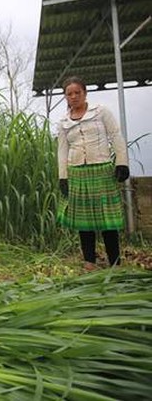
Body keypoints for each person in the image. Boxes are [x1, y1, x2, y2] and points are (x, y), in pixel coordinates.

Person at [57, 76, 129, 270]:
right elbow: (62, 150)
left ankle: (115, 263)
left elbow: (116, 136)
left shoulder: (101, 112)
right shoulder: (63, 122)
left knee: (108, 220)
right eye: (69, 94)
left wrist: (121, 163)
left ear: (85, 93)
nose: (74, 96)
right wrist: (63, 176)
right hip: (77, 173)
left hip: (102, 170)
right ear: (66, 97)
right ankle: (89, 262)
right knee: (84, 221)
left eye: (77, 92)